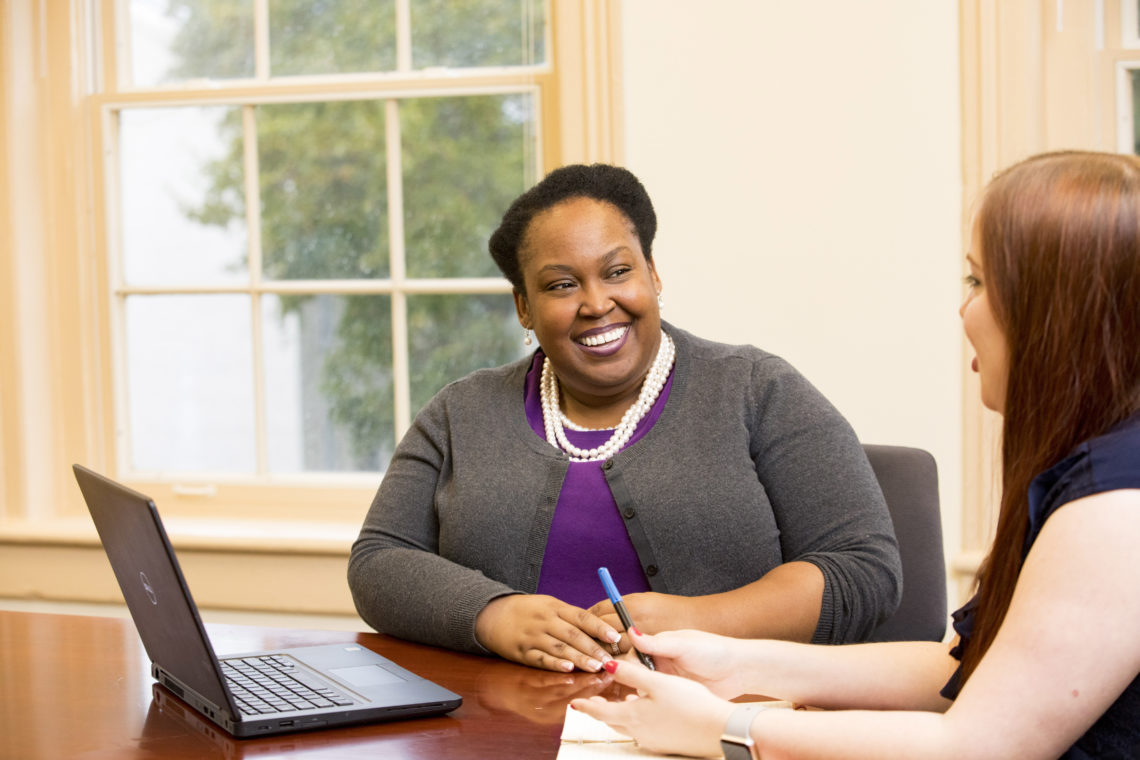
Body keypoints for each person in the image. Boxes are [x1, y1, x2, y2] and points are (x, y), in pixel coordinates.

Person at [572, 151, 1140, 758]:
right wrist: (736, 664)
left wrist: (726, 733)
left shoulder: (1115, 511)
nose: (963, 309)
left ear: (1055, 311)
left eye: (978, 282)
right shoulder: (1092, 472)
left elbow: (977, 746)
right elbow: (963, 670)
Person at [348, 163, 902, 675]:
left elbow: (864, 570)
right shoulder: (459, 413)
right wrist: (493, 614)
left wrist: (699, 620)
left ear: (653, 274)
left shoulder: (758, 390)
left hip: (714, 722)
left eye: (617, 271)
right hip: (509, 725)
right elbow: (379, 562)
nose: (596, 303)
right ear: (523, 307)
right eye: (562, 284)